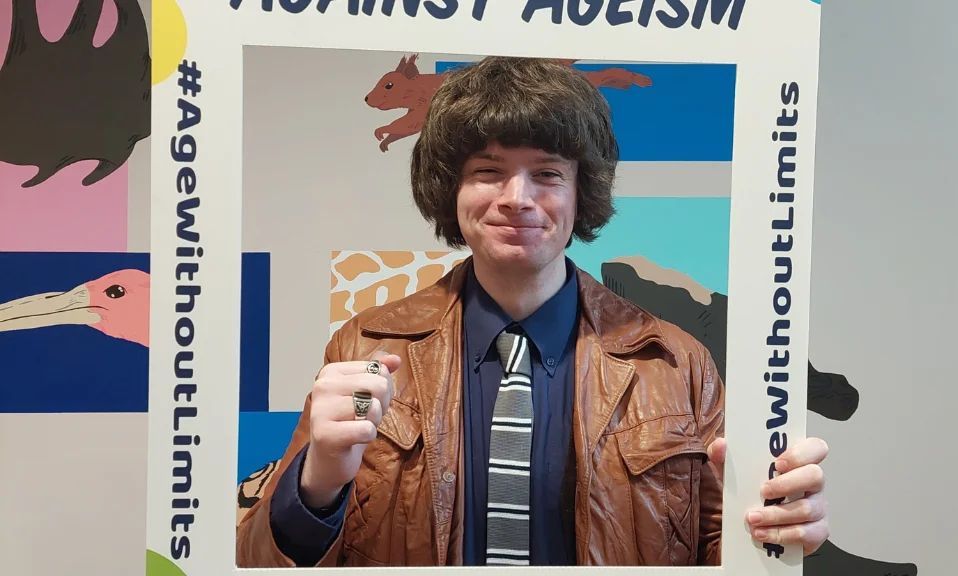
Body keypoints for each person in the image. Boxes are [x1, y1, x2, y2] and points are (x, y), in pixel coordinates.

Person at [235, 56, 830, 567]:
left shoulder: (673, 362)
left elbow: (720, 549)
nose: (517, 198)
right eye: (487, 171)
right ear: (451, 190)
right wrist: (317, 484)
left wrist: (781, 533)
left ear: (582, 194)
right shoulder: (366, 347)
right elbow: (259, 560)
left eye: (547, 174)